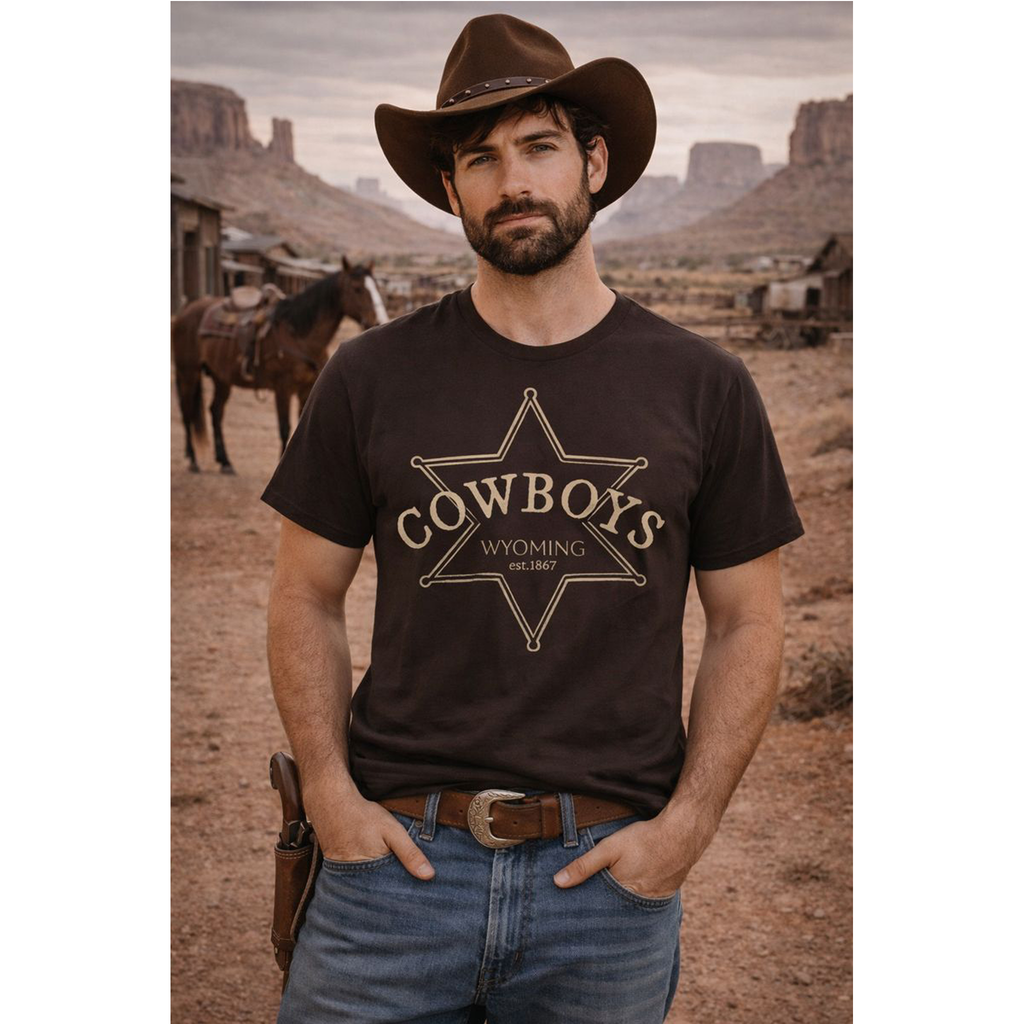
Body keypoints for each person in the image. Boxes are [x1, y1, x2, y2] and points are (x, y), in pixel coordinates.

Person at [262, 13, 804, 1024]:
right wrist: (332, 798)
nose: (512, 180)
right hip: (393, 870)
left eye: (540, 147)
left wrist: (685, 828)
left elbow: (749, 623)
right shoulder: (368, 377)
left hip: (603, 888)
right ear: (451, 189)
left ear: (593, 162)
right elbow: (305, 595)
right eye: (480, 157)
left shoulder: (704, 385)